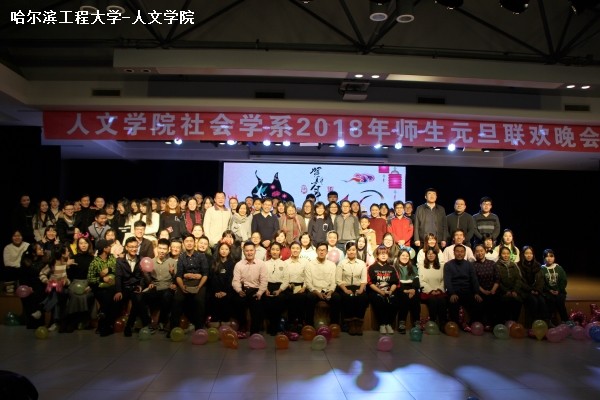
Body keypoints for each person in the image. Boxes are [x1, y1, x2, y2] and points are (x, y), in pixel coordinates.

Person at [169, 233, 210, 337]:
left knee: (199, 300)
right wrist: (182, 287)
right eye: (187, 241)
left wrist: (199, 286)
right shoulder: (181, 257)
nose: (189, 243)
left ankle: (199, 329)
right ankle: (173, 329)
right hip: (184, 283)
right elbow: (179, 275)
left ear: (195, 242)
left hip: (199, 283)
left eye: (191, 241)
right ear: (183, 243)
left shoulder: (201, 256)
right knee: (177, 300)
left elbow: (205, 274)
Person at [114, 237, 153, 337]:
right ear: (126, 247)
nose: (134, 249)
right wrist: (118, 291)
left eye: (135, 247)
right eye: (131, 247)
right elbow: (118, 277)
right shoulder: (120, 261)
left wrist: (141, 286)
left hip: (136, 287)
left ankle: (129, 326)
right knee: (136, 301)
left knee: (138, 299)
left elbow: (142, 277)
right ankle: (146, 323)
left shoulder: (141, 259)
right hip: (125, 287)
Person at [443, 244, 483, 332]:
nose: (459, 253)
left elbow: (474, 280)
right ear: (454, 253)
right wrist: (452, 293)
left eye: (462, 252)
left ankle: (472, 325)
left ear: (465, 253)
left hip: (467, 291)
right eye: (457, 251)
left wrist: (476, 293)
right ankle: (456, 326)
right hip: (454, 291)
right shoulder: (448, 265)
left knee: (477, 302)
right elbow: (447, 281)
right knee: (453, 303)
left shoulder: (469, 265)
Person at [232, 240, 268, 335]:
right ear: (244, 252)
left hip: (256, 290)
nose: (249, 253)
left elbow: (264, 281)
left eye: (251, 250)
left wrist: (260, 292)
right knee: (236, 302)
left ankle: (254, 332)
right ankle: (242, 326)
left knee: (257, 305)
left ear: (255, 251)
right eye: (247, 251)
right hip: (243, 290)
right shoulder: (239, 265)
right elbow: (235, 281)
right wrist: (239, 290)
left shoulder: (261, 264)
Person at [63, 235, 96, 332]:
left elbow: (96, 275)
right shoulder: (73, 258)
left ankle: (84, 320)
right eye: (81, 243)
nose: (83, 245)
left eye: (85, 243)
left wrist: (91, 286)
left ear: (89, 245)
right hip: (75, 283)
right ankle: (72, 321)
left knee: (85, 295)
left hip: (88, 284)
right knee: (74, 295)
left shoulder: (93, 259)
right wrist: (67, 266)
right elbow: (69, 276)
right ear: (78, 245)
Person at [144, 238, 177, 332]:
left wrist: (173, 274)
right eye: (160, 248)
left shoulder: (172, 262)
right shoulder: (151, 262)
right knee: (143, 296)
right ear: (157, 248)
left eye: (164, 249)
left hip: (167, 287)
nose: (162, 251)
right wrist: (149, 281)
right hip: (155, 287)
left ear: (168, 250)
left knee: (166, 296)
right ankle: (148, 321)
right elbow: (148, 279)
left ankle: (162, 321)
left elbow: (177, 279)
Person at [87, 238, 118, 336]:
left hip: (112, 286)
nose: (110, 247)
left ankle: (102, 325)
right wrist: (102, 279)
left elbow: (116, 267)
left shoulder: (111, 257)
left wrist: (109, 269)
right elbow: (90, 279)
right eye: (109, 246)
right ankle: (105, 326)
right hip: (99, 288)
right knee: (107, 298)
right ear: (104, 249)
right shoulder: (95, 262)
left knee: (111, 296)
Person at [305, 242, 341, 326]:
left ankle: (334, 325)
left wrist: (330, 292)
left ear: (327, 252)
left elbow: (334, 282)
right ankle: (309, 325)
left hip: (328, 291)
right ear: (316, 251)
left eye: (324, 250)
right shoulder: (309, 264)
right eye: (320, 250)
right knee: (309, 297)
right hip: (315, 291)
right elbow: (308, 283)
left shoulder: (332, 265)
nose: (321, 252)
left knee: (337, 298)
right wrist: (317, 292)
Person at [336, 241, 368, 335]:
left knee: (362, 298)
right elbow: (338, 280)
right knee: (348, 298)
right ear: (346, 251)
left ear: (356, 250)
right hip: (345, 287)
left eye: (353, 250)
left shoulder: (361, 263)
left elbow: (364, 279)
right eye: (349, 250)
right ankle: (350, 325)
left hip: (358, 287)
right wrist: (345, 290)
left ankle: (358, 324)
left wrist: (361, 289)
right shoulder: (342, 263)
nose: (351, 252)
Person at [37, 245, 72, 332]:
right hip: (52, 288)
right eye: (67, 251)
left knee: (56, 294)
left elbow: (66, 279)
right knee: (55, 294)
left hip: (61, 288)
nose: (68, 252)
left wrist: (65, 281)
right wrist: (47, 281)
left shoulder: (65, 264)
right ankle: (55, 322)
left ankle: (41, 309)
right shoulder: (52, 265)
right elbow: (42, 274)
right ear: (62, 254)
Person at [367, 245, 400, 335]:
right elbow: (370, 283)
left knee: (394, 300)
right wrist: (380, 291)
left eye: (385, 254)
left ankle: (388, 324)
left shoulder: (392, 268)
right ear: (377, 255)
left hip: (389, 291)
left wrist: (391, 291)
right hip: (376, 291)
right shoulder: (372, 267)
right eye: (381, 254)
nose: (383, 255)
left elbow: (395, 283)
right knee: (379, 300)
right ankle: (382, 324)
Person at [18, 243, 49, 329]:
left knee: (41, 291)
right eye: (39, 249)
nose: (42, 250)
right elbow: (25, 276)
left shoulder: (43, 259)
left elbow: (41, 274)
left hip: (40, 285)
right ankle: (31, 322)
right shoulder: (26, 261)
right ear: (33, 253)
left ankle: (39, 315)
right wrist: (28, 288)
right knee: (28, 299)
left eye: (42, 248)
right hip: (27, 285)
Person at [517, 245, 548, 328]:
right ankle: (532, 324)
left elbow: (541, 280)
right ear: (523, 254)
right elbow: (520, 282)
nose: (529, 255)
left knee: (542, 300)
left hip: (536, 290)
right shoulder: (519, 266)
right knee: (533, 300)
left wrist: (537, 290)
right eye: (526, 253)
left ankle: (544, 323)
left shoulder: (537, 265)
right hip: (525, 291)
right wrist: (530, 290)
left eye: (531, 253)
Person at [263, 242, 290, 335]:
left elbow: (286, 280)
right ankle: (271, 325)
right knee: (266, 300)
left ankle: (274, 326)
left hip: (280, 287)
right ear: (270, 251)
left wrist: (279, 290)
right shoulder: (265, 264)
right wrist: (265, 289)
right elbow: (262, 278)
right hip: (267, 286)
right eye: (273, 249)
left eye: (277, 250)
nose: (275, 252)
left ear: (280, 251)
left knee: (279, 299)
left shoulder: (284, 264)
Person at [472, 244, 501, 330]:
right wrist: (483, 291)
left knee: (495, 301)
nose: (480, 253)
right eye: (477, 251)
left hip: (493, 290)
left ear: (485, 251)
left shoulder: (492, 263)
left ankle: (495, 325)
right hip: (480, 290)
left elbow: (497, 278)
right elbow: (474, 281)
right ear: (474, 253)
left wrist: (493, 290)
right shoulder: (473, 265)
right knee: (480, 302)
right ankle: (484, 324)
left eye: (481, 251)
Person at [207, 242, 235, 327]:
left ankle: (225, 320)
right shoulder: (214, 262)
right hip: (215, 290)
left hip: (227, 290)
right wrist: (217, 291)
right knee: (213, 298)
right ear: (218, 250)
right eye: (222, 249)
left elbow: (231, 279)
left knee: (228, 298)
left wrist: (225, 291)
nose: (224, 251)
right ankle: (215, 319)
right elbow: (212, 279)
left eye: (226, 249)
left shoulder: (232, 264)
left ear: (229, 251)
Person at [393, 248, 420, 334]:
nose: (405, 257)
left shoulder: (413, 267)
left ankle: (417, 321)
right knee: (404, 298)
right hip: (399, 288)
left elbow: (416, 280)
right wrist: (405, 291)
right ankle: (402, 322)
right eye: (403, 255)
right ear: (399, 257)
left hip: (411, 287)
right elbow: (395, 282)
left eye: (407, 256)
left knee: (416, 297)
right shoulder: (394, 268)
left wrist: (413, 289)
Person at [419, 248, 447, 330]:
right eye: (428, 253)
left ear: (436, 255)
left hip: (440, 291)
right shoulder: (422, 266)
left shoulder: (442, 266)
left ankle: (442, 323)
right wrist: (431, 290)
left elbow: (444, 280)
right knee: (433, 300)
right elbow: (422, 281)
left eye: (433, 253)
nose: (431, 255)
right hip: (427, 292)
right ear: (426, 255)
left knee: (442, 300)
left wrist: (439, 290)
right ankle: (432, 322)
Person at [495, 246, 524, 323]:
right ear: (500, 254)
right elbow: (497, 281)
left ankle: (514, 321)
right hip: (502, 292)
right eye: (503, 253)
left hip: (514, 291)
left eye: (508, 253)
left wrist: (515, 291)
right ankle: (505, 322)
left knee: (518, 301)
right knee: (505, 301)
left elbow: (518, 279)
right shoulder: (496, 265)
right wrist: (506, 291)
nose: (506, 255)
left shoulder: (514, 265)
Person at [285, 241, 308, 331]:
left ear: (300, 250)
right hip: (289, 286)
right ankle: (291, 322)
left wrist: (304, 287)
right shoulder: (285, 263)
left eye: (297, 248)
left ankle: (300, 322)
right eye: (293, 248)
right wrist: (288, 285)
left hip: (302, 286)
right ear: (290, 249)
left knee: (301, 297)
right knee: (291, 297)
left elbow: (307, 277)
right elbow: (284, 277)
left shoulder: (305, 262)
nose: (295, 250)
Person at [541, 248, 568, 325]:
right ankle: (549, 321)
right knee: (550, 300)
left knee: (560, 300)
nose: (549, 258)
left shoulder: (559, 268)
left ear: (554, 257)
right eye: (547, 256)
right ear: (544, 258)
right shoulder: (542, 269)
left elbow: (563, 281)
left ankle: (565, 320)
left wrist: (558, 290)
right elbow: (542, 283)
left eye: (551, 256)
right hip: (547, 292)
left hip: (559, 291)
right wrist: (549, 290)